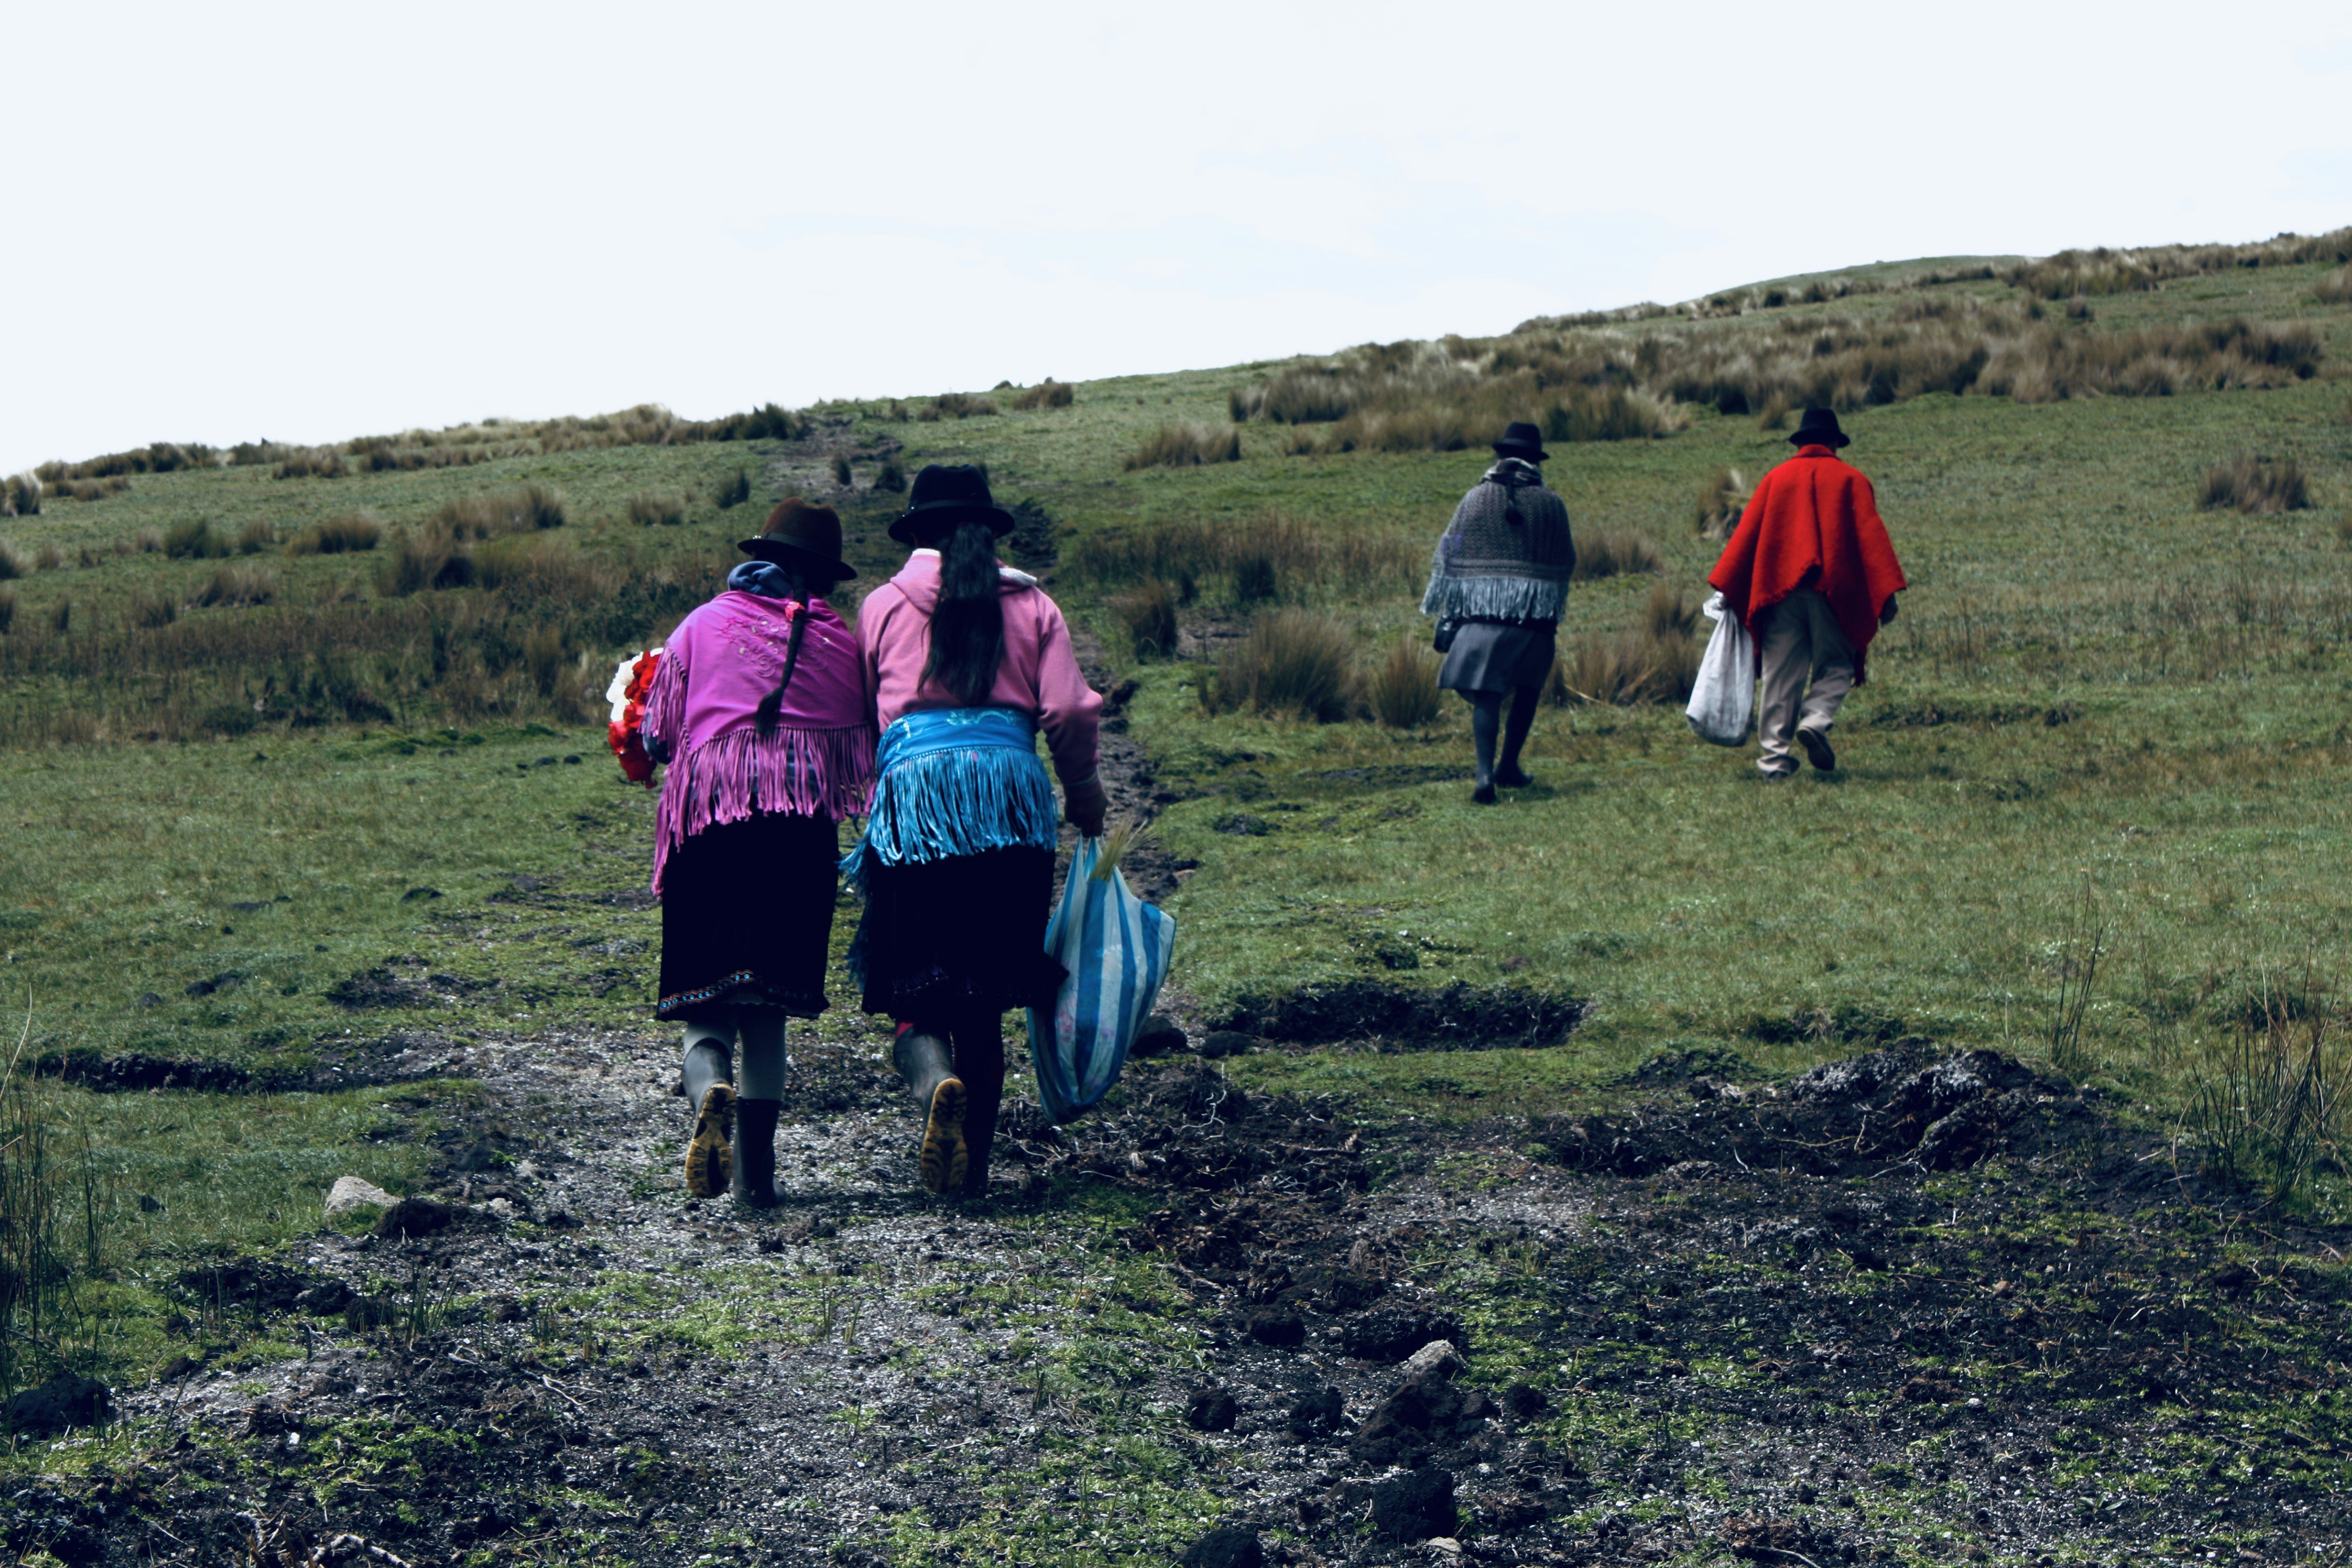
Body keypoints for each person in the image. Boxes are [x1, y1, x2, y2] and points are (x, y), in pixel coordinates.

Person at [844, 464, 1106, 1199]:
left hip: (921, 803)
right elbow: (1073, 712)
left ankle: (933, 1079)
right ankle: (974, 1172)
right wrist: (1084, 794)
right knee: (985, 996)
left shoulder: (883, 606)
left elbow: (865, 716)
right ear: (988, 532)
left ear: (918, 531)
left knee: (918, 985)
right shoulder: (1034, 604)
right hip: (1010, 804)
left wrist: (879, 790)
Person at [639, 499, 876, 1205]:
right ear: (824, 576)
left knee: (705, 1005)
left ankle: (709, 1084)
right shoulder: (839, 644)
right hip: (796, 837)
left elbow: (657, 732)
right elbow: (861, 742)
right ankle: (758, 1181)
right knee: (767, 1009)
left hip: (711, 826)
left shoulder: (702, 624)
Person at [1706, 408, 1907, 778]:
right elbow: (1871, 542)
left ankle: (1774, 763)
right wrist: (1886, 598)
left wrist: (1730, 592)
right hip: (1833, 595)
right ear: (1834, 443)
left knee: (1780, 678)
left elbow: (1746, 541)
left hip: (1779, 594)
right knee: (1838, 665)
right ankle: (1815, 719)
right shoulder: (1852, 480)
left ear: (1800, 442)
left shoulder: (1776, 479)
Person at [1421, 420, 1576, 804]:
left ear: (1501, 456)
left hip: (1482, 619)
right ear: (1534, 459)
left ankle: (1484, 775)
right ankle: (1510, 765)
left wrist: (1463, 597)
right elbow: (1566, 561)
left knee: (1487, 696)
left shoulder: (1474, 499)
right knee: (1527, 691)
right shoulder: (1552, 504)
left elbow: (1449, 550)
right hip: (1533, 621)